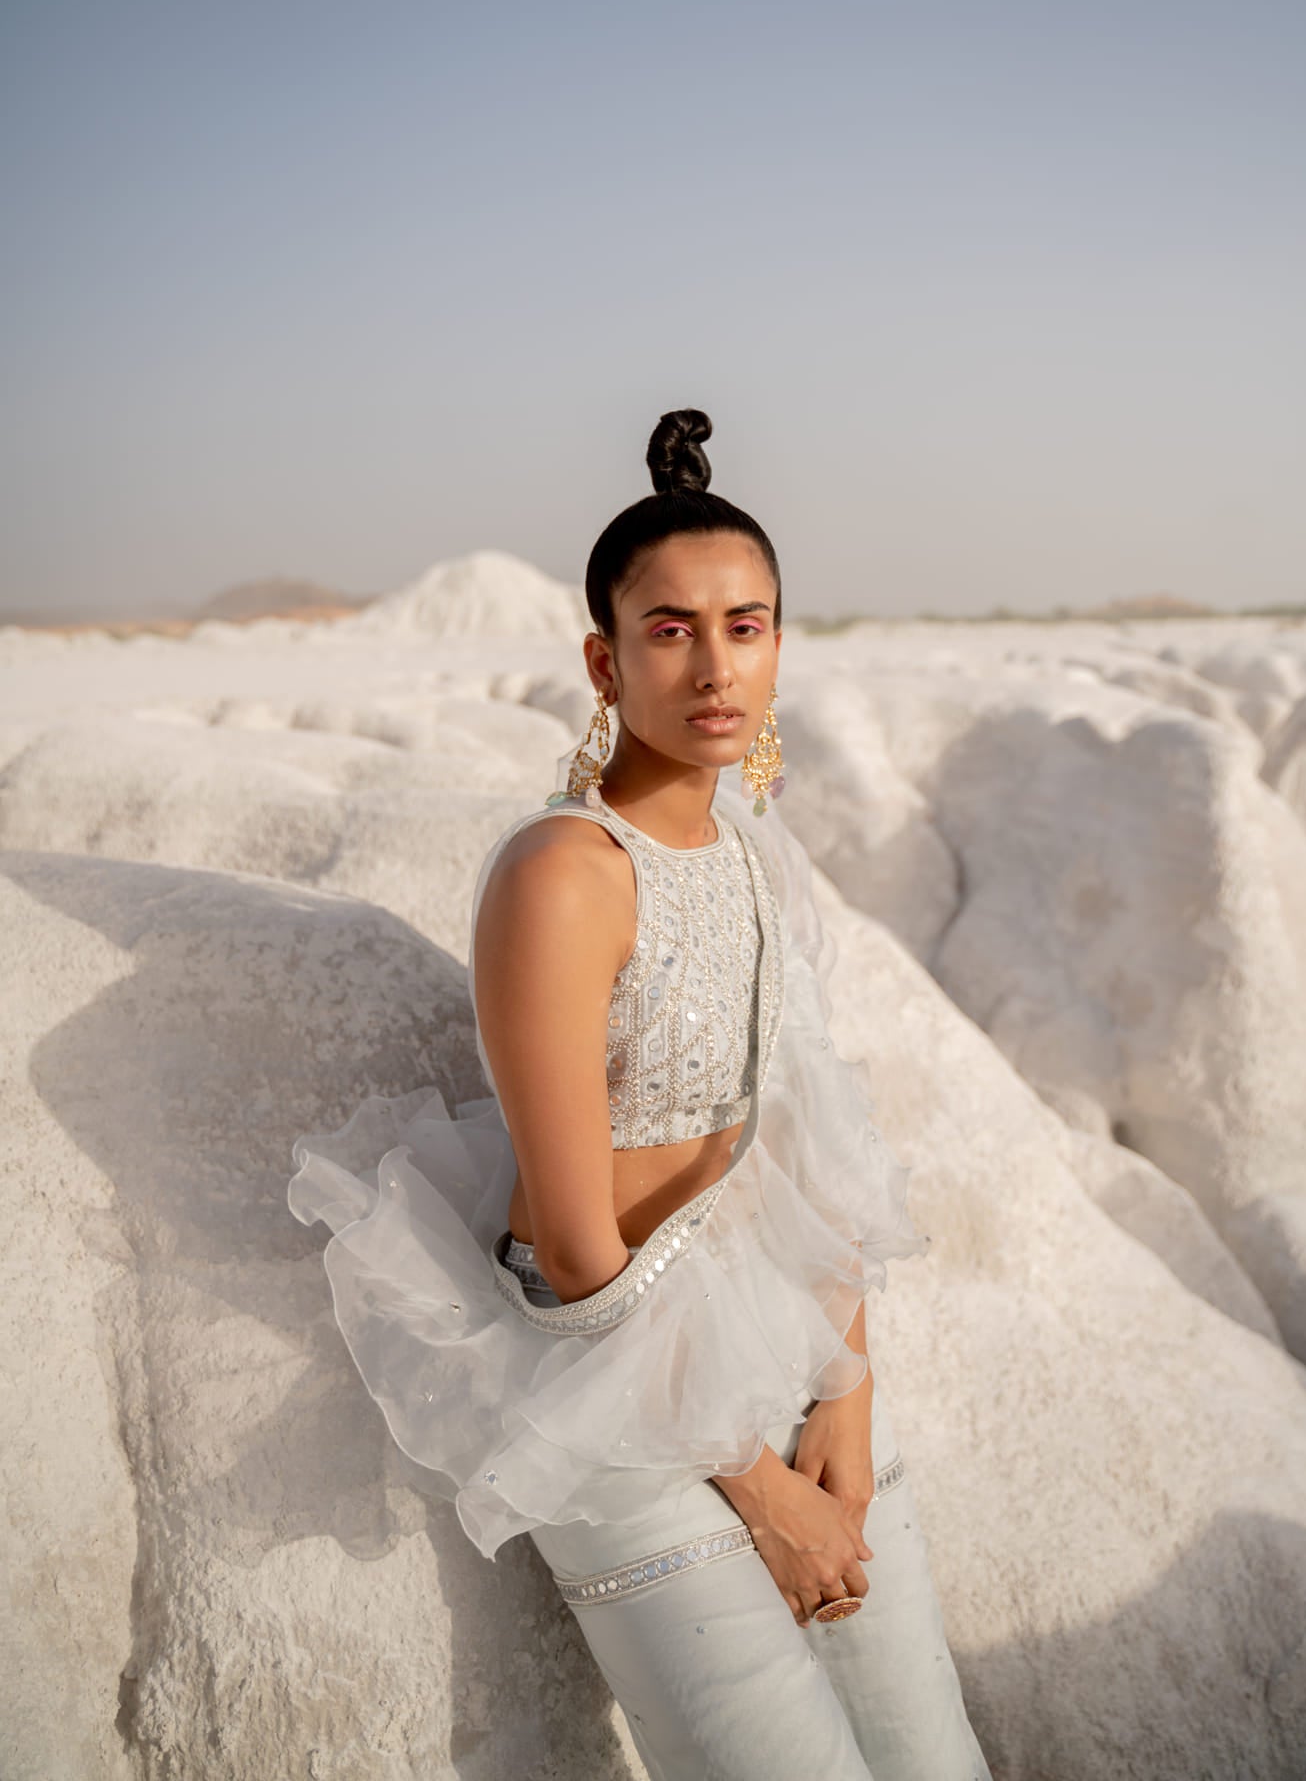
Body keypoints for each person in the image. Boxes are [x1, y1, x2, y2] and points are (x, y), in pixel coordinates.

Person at [288, 408, 992, 1780]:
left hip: (784, 1334)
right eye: (671, 630)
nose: (715, 664)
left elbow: (809, 1127)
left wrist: (843, 1389)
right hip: (605, 1376)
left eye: (748, 624)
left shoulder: (750, 844)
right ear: (605, 661)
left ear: (781, 644)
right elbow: (569, 1246)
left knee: (932, 1758)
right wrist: (761, 1481)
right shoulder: (563, 873)